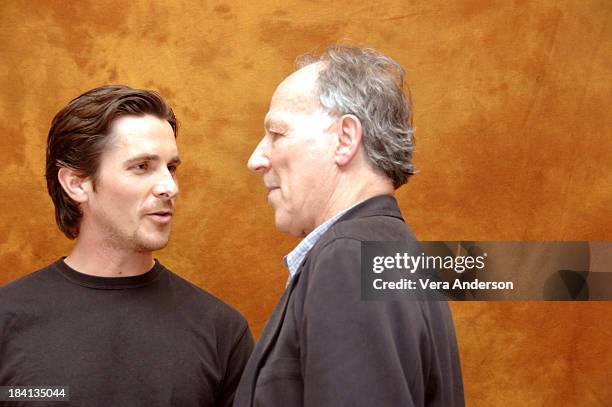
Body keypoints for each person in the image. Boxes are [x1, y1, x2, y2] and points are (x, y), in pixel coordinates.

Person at [234, 46, 464, 406]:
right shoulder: (390, 254)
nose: (256, 159)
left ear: (345, 139)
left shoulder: (348, 259)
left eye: (277, 133)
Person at [0, 85, 253, 406]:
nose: (168, 187)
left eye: (171, 168)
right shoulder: (6, 322)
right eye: (142, 166)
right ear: (76, 183)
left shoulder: (222, 331)